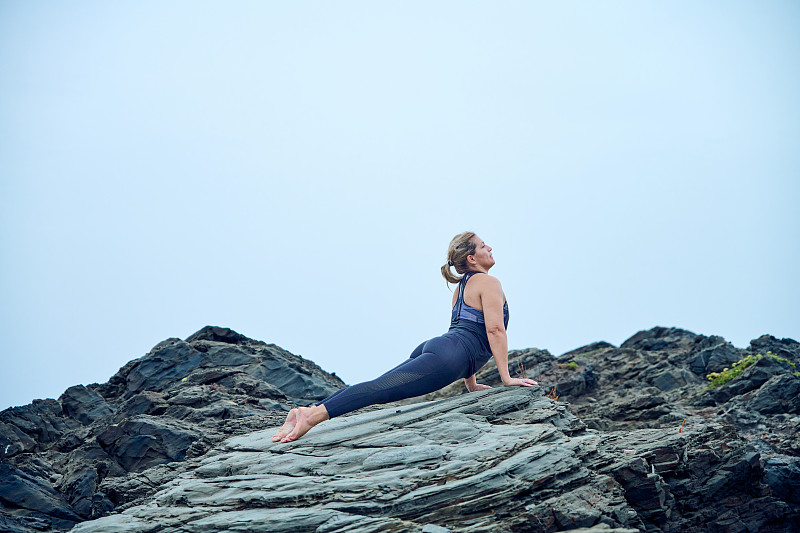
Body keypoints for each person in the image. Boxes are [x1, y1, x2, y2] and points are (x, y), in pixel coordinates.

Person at [271, 231, 538, 443]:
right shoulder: (489, 283)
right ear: (471, 258)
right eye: (483, 245)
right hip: (448, 357)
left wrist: (471, 383)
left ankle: (304, 412)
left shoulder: (461, 288)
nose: (489, 248)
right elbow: (493, 330)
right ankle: (312, 416)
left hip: (443, 350)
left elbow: (465, 333)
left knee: (377, 385)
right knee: (378, 390)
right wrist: (506, 377)